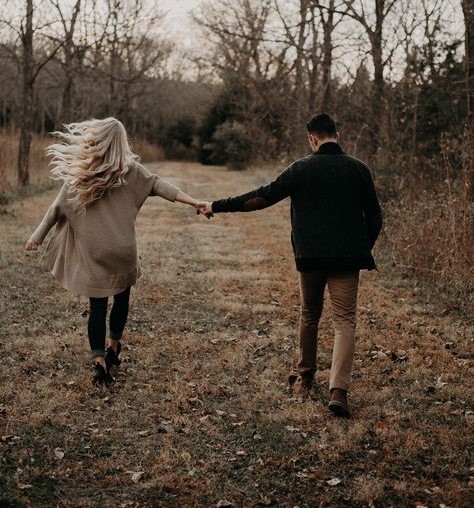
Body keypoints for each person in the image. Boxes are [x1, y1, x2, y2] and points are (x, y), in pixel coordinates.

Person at [199, 114, 382, 418]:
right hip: (347, 259)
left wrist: (216, 205)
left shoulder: (301, 168)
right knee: (344, 321)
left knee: (310, 314)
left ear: (312, 138)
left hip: (309, 258)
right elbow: (375, 217)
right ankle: (338, 391)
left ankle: (306, 377)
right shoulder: (359, 169)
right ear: (337, 135)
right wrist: (361, 248)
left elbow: (261, 197)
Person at [26, 117, 207, 386]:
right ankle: (114, 347)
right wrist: (195, 202)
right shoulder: (132, 171)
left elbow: (56, 209)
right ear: (121, 143)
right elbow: (161, 186)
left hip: (95, 253)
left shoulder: (82, 175)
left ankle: (100, 362)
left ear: (95, 141)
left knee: (97, 308)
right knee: (121, 300)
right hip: (124, 251)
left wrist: (36, 237)